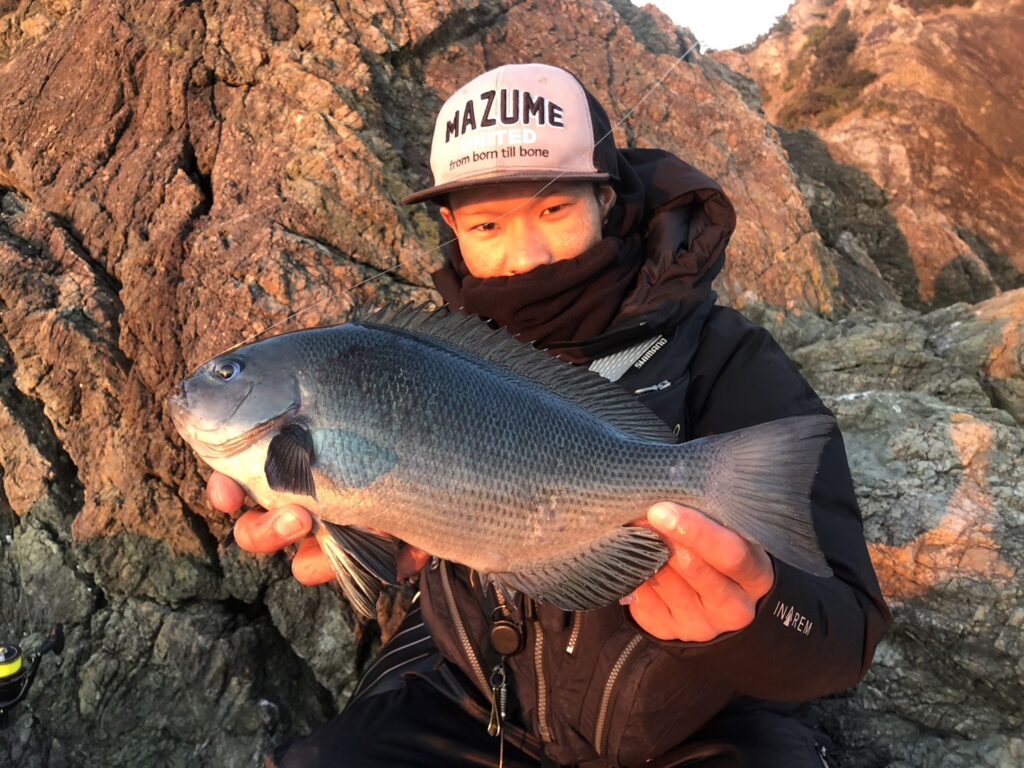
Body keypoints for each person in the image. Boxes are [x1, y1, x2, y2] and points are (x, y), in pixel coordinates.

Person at [207, 63, 892, 767]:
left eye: (555, 210)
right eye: (487, 224)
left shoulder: (727, 359)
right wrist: (367, 531)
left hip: (699, 724)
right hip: (473, 701)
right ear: (451, 226)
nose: (525, 256)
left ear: (605, 198)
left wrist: (751, 618)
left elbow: (844, 637)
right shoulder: (420, 356)